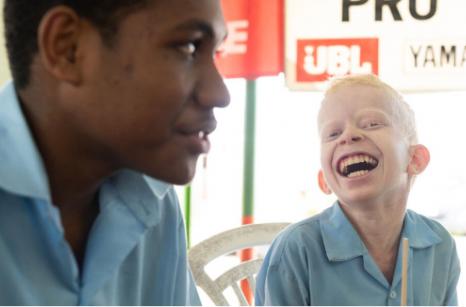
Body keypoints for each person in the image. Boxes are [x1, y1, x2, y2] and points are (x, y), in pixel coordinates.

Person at [0, 0, 229, 304]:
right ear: (68, 47)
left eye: (214, 54)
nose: (219, 93)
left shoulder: (152, 201)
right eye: (187, 48)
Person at [255, 74, 460, 305]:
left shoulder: (439, 246)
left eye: (372, 123)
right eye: (333, 133)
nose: (349, 135)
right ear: (325, 180)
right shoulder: (296, 250)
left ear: (415, 159)